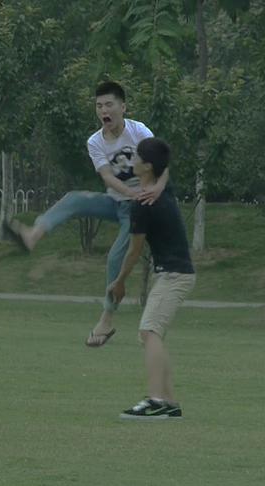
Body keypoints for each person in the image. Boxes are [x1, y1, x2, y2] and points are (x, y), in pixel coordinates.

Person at [6, 81, 169, 347]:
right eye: (99, 106)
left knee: (115, 257)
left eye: (109, 104)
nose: (104, 110)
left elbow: (162, 163)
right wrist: (130, 193)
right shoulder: (95, 141)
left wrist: (156, 189)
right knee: (74, 199)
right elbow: (107, 177)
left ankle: (107, 320)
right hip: (118, 201)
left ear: (123, 107)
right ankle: (32, 235)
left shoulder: (139, 131)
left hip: (140, 209)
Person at [106, 138, 195, 420]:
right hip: (175, 273)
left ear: (146, 166)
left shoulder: (143, 203)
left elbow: (134, 251)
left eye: (136, 157)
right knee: (150, 334)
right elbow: (165, 169)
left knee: (149, 332)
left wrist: (119, 281)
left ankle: (156, 400)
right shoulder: (161, 189)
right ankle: (168, 402)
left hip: (174, 275)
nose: (131, 161)